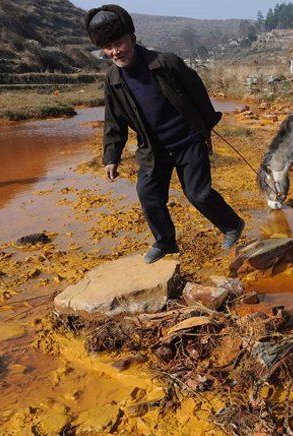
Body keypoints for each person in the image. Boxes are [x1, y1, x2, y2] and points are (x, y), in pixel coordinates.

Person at [84, 5, 245, 263]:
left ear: (132, 39)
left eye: (118, 43)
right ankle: (166, 242)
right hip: (153, 148)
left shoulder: (165, 62)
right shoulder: (113, 78)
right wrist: (111, 156)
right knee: (148, 193)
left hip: (188, 142)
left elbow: (197, 90)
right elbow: (114, 120)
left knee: (198, 194)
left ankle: (232, 224)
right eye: (108, 47)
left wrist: (206, 125)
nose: (115, 52)